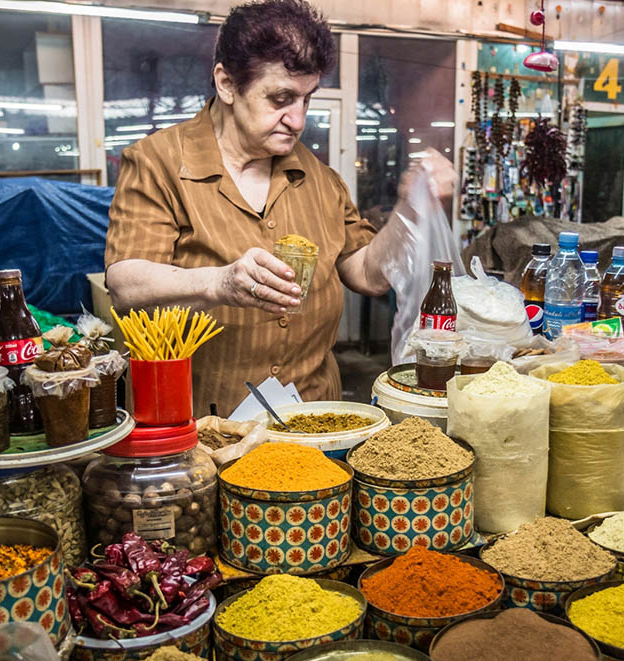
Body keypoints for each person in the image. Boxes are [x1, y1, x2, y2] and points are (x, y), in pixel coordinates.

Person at [104, 0, 455, 415]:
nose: (299, 119)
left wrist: (410, 211)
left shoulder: (319, 179)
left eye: (307, 99)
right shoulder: (158, 164)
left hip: (313, 421)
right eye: (281, 98)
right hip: (202, 428)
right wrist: (220, 283)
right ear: (227, 83)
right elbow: (125, 285)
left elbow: (365, 273)